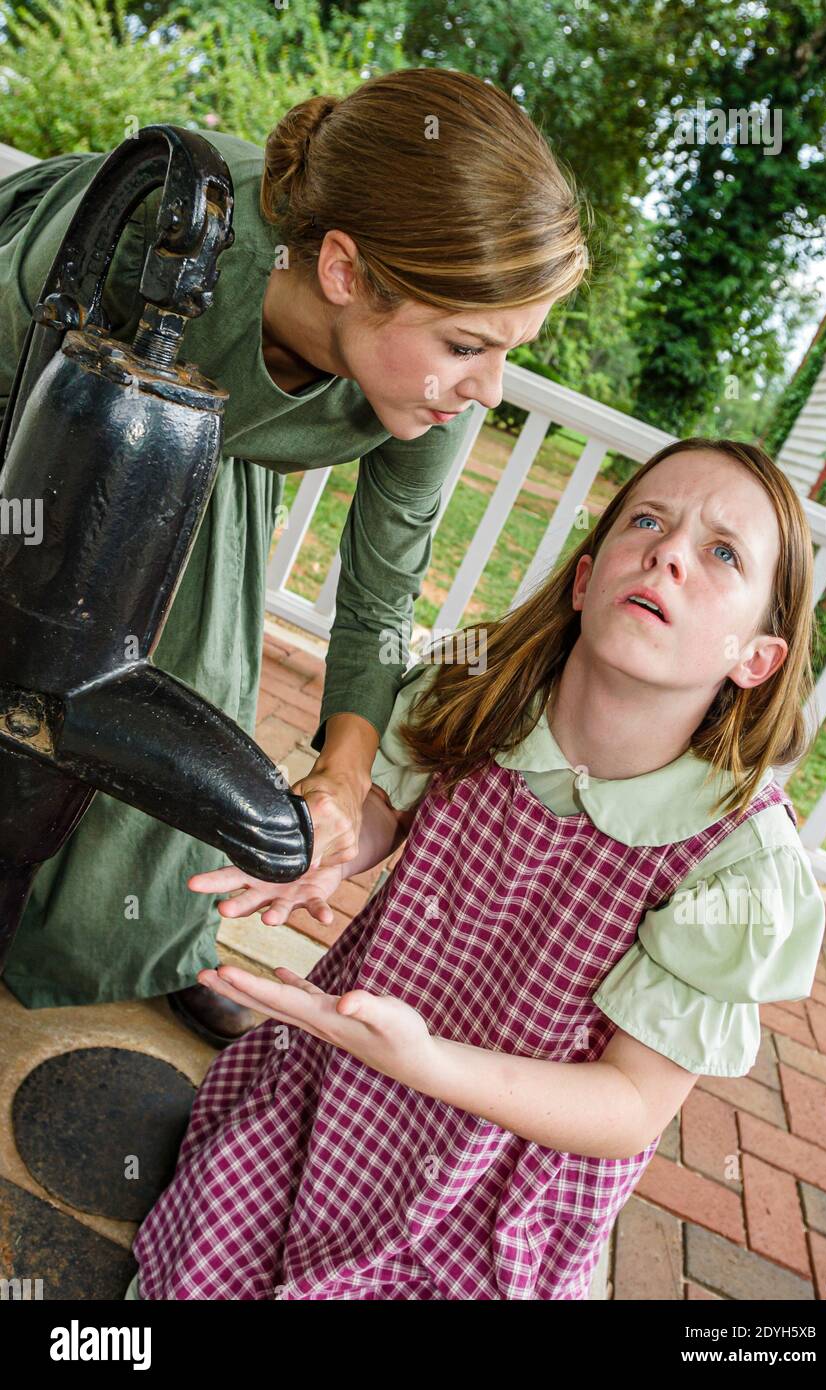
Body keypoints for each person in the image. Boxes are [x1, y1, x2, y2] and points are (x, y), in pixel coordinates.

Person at [122, 436, 826, 1300]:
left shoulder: (738, 863)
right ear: (586, 577)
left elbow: (632, 1107)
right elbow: (388, 805)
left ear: (757, 659)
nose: (669, 553)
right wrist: (330, 847)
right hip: (337, 1098)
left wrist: (424, 1063)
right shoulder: (480, 675)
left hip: (492, 1192)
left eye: (723, 553)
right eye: (648, 519)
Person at [0, 68, 586, 1044]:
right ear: (345, 272)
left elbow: (381, 589)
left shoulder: (436, 389)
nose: (488, 389)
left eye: (507, 351)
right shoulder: (163, 231)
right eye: (467, 343)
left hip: (198, 447)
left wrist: (340, 780)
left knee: (188, 679)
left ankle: (138, 943)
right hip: (29, 379)